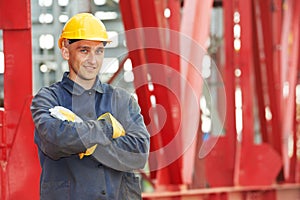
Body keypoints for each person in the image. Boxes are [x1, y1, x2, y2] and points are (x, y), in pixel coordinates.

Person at [31, 13, 150, 200]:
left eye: (99, 51)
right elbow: (55, 140)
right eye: (84, 50)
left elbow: (139, 152)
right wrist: (107, 128)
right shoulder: (48, 99)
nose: (93, 60)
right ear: (66, 51)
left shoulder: (121, 100)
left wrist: (83, 142)